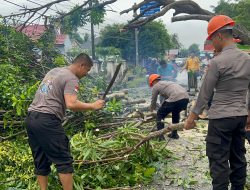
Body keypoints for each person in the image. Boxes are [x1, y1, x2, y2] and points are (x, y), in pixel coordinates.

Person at [184, 15, 250, 190]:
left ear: (219, 36)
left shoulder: (217, 62)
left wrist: (191, 119)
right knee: (238, 157)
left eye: (212, 39)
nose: (212, 44)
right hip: (240, 117)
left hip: (220, 119)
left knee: (218, 160)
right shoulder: (247, 60)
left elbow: (204, 94)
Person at [25, 53, 105, 190]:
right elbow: (71, 104)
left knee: (40, 159)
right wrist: (93, 105)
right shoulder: (71, 78)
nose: (86, 74)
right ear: (82, 65)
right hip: (47, 121)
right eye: (87, 70)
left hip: (31, 118)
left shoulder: (54, 71)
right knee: (63, 160)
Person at [149, 74, 189, 140]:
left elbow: (153, 100)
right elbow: (166, 100)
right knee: (175, 113)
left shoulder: (156, 86)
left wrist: (151, 110)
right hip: (185, 98)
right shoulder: (168, 83)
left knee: (160, 114)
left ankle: (160, 136)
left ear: (153, 81)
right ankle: (174, 134)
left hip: (176, 98)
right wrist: (163, 106)